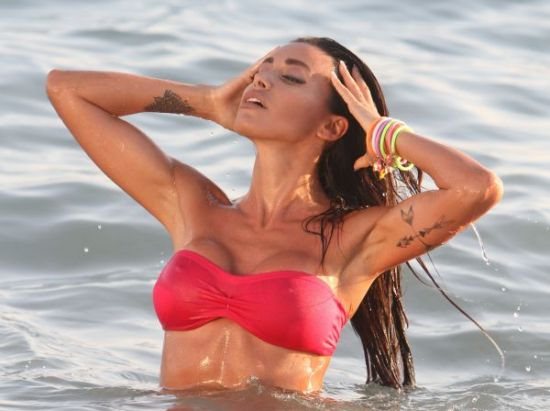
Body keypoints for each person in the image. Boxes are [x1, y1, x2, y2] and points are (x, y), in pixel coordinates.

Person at [46, 36, 503, 394]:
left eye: (291, 77)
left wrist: (383, 133)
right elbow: (67, 89)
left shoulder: (356, 239)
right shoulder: (193, 207)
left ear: (333, 126)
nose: (260, 81)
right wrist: (208, 102)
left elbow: (476, 188)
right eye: (259, 71)